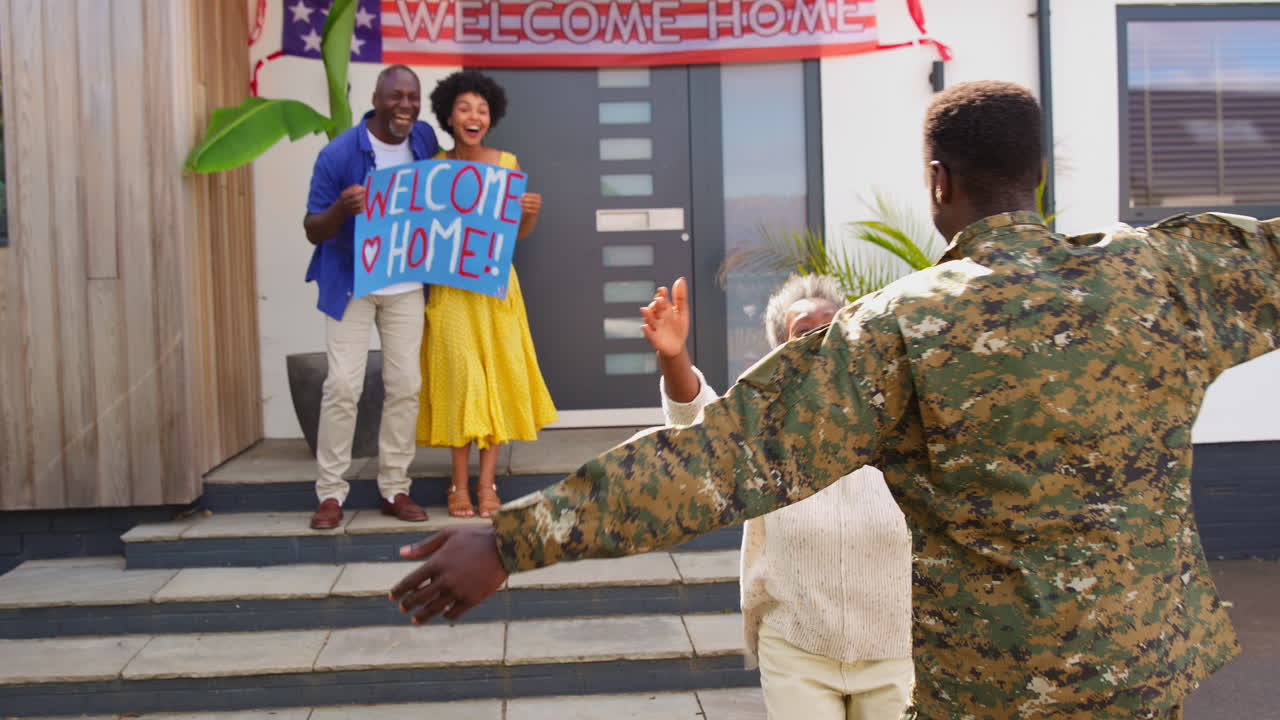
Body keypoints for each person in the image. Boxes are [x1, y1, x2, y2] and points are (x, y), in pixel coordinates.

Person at [390, 81, 1279, 719]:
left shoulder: (904, 327)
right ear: (1038, 174)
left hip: (994, 689)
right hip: (1148, 668)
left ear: (938, 183)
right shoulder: (1164, 277)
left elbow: (722, 458)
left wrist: (515, 539)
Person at [643, 274, 913, 719]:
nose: (821, 338)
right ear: (782, 351)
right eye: (804, 330)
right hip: (797, 649)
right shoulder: (765, 427)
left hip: (896, 651)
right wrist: (674, 358)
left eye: (832, 326)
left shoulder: (897, 418)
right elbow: (701, 426)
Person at [415, 70, 557, 519]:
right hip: (451, 293)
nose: (473, 115)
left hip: (494, 290)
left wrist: (529, 214)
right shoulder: (434, 168)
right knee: (460, 384)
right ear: (449, 116)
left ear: (490, 117)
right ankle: (457, 485)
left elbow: (514, 235)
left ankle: (485, 484)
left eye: (481, 109)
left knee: (493, 382)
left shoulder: (506, 165)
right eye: (464, 108)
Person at [303, 64, 438, 530]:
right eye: (396, 97)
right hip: (352, 284)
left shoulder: (422, 140)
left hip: (405, 286)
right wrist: (342, 207)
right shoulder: (338, 155)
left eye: (412, 97)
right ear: (376, 99)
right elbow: (311, 228)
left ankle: (395, 487)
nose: (405, 105)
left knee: (406, 387)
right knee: (342, 386)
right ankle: (330, 493)